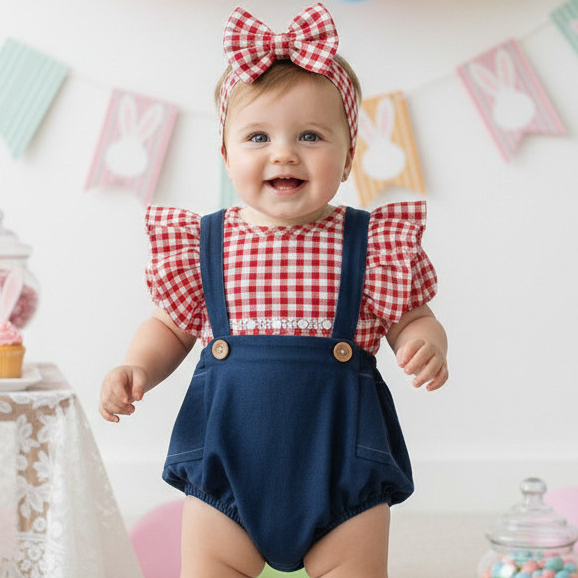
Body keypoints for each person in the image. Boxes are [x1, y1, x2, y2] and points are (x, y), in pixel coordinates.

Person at [99, 4, 449, 577]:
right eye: (258, 136)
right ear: (226, 154)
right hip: (227, 466)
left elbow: (413, 315)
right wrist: (137, 366)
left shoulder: (371, 244)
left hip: (341, 467)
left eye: (310, 135)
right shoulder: (204, 244)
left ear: (348, 158)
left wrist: (425, 341)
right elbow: (169, 325)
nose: (283, 152)